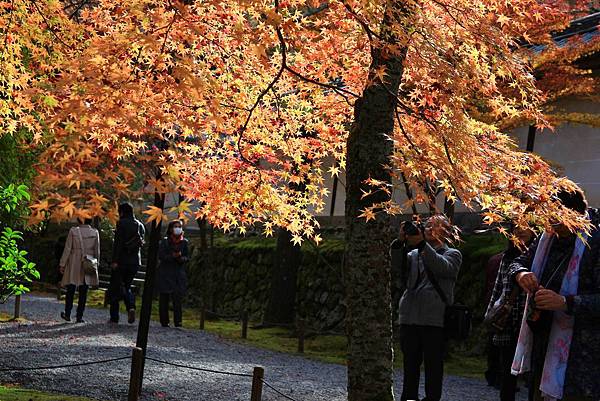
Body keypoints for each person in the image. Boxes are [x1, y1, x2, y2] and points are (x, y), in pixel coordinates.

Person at [509, 189, 600, 401]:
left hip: (584, 354)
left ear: (573, 213)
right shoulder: (547, 237)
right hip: (543, 340)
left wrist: (565, 302)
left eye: (554, 216)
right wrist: (521, 274)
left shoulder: (595, 241)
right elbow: (519, 262)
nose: (549, 222)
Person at [397, 214, 462, 401]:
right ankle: (409, 398)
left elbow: (443, 268)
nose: (428, 228)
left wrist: (422, 245)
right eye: (427, 225)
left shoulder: (453, 254)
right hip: (409, 316)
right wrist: (399, 243)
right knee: (410, 366)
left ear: (446, 231)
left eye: (435, 226)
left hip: (434, 319)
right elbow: (395, 267)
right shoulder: (414, 254)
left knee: (433, 367)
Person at [485, 226, 535, 401]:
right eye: (516, 228)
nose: (520, 231)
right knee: (507, 372)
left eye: (525, 227)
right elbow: (498, 287)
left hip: (531, 319)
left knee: (533, 374)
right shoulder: (507, 256)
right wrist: (490, 315)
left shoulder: (539, 254)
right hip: (508, 319)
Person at [109, 202, 145, 324]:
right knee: (127, 286)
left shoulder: (122, 224)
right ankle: (131, 307)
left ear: (122, 212)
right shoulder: (140, 225)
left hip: (121, 261)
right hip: (135, 261)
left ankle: (114, 317)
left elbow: (118, 243)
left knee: (116, 287)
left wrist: (114, 260)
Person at [59, 218, 100, 323]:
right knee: (84, 290)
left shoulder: (74, 231)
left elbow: (68, 248)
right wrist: (96, 264)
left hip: (74, 261)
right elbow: (97, 251)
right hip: (88, 261)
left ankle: (67, 314)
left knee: (71, 288)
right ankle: (79, 316)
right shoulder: (95, 232)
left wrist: (62, 264)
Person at [157, 220, 189, 328]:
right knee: (164, 297)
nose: (178, 228)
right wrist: (172, 256)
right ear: (171, 229)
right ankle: (164, 321)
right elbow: (161, 256)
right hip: (165, 272)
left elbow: (186, 257)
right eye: (175, 226)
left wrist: (180, 258)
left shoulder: (184, 242)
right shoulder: (165, 242)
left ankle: (178, 321)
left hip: (178, 274)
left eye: (179, 226)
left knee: (177, 298)